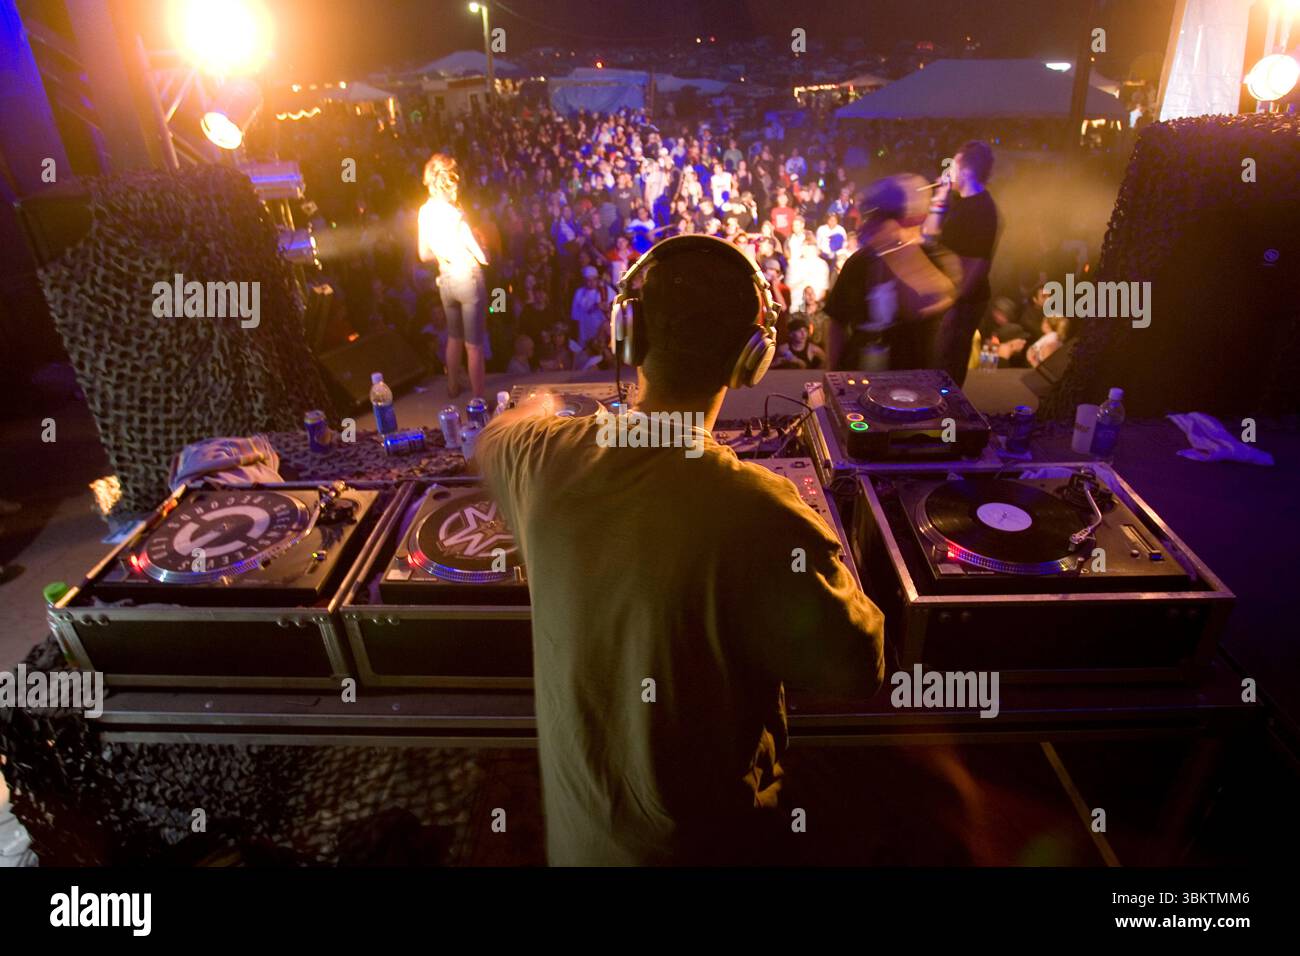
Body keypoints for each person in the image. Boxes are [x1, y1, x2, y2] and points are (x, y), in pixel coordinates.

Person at [474, 236, 885, 865]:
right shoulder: (764, 515)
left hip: (577, 844)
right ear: (751, 359)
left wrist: (554, 406)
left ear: (628, 336)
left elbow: (496, 432)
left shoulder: (539, 457)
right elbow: (859, 668)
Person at [824, 175, 959, 371]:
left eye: (880, 217)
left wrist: (895, 252)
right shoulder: (860, 262)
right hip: (860, 373)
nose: (868, 226)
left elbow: (923, 305)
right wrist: (833, 372)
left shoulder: (937, 260)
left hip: (915, 377)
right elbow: (837, 322)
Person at [924, 141, 1001, 386]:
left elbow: (977, 265)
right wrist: (941, 196)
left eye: (954, 165)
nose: (950, 171)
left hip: (962, 301)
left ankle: (949, 416)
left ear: (966, 170)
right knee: (937, 360)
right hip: (948, 296)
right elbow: (929, 234)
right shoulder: (958, 201)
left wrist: (953, 303)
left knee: (948, 363)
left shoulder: (982, 210)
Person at [418, 153, 489, 399]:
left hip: (445, 279)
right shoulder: (456, 215)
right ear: (450, 182)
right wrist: (481, 242)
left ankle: (452, 386)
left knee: (454, 336)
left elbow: (423, 253)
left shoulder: (424, 212)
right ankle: (479, 399)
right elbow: (482, 256)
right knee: (474, 345)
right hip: (467, 277)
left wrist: (442, 252)